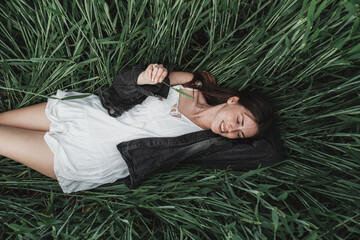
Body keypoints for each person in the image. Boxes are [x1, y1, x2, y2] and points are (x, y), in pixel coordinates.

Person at [0, 64, 284, 193]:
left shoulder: (206, 143)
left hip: (87, 155)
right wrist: (142, 77)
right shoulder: (188, 84)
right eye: (239, 120)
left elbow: (270, 153)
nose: (231, 129)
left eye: (239, 134)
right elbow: (122, 83)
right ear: (234, 100)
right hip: (84, 114)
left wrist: (259, 125)